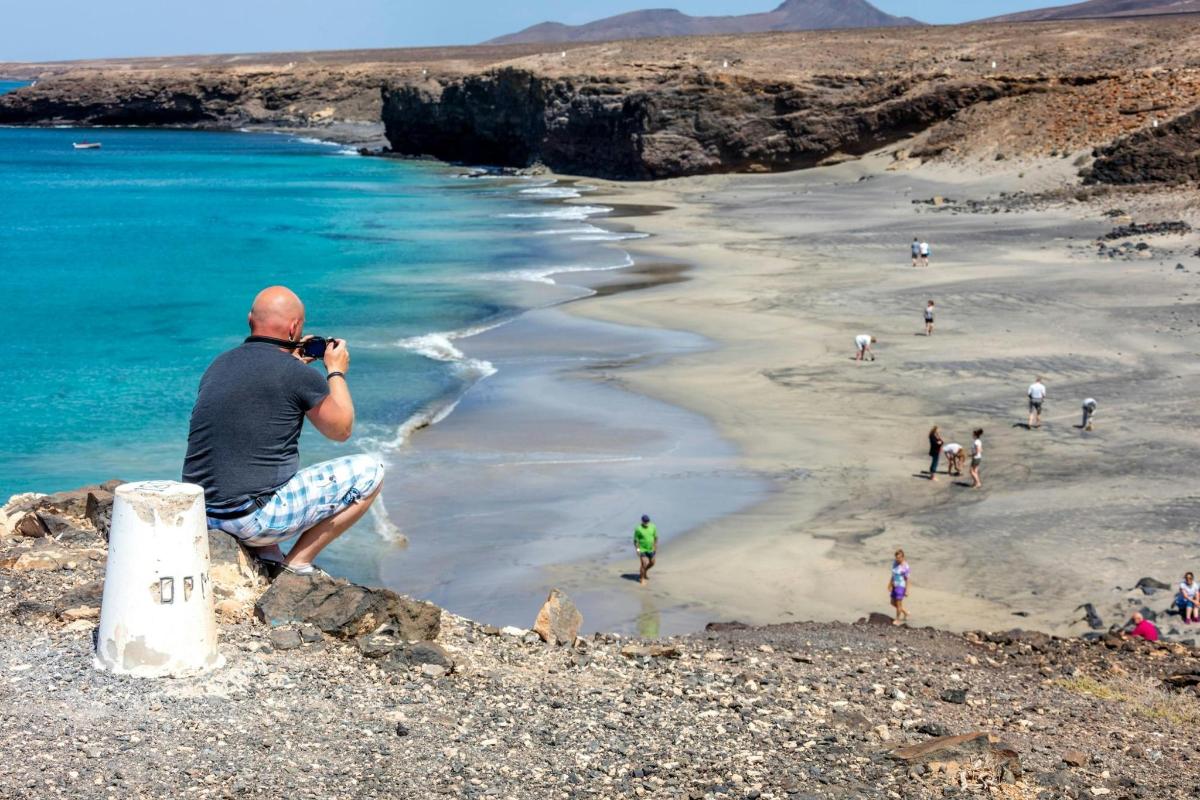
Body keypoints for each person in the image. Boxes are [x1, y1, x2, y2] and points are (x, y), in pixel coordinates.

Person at [183, 286, 384, 575]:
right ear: (294, 329)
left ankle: (268, 558)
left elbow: (261, 388)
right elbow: (341, 430)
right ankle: (297, 563)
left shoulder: (219, 364)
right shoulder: (295, 374)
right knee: (370, 471)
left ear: (250, 320)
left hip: (205, 513)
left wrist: (293, 365)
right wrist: (335, 371)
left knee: (254, 474)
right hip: (251, 519)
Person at [888, 549, 911, 624]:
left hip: (901, 586)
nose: (897, 559)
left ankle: (897, 619)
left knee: (898, 604)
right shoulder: (895, 563)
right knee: (892, 602)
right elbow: (893, 574)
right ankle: (906, 613)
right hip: (894, 585)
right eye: (896, 558)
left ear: (903, 557)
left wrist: (907, 590)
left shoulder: (906, 567)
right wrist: (890, 584)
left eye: (899, 558)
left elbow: (907, 579)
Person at [634, 515, 658, 584]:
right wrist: (638, 550)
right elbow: (635, 541)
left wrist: (655, 547)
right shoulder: (638, 529)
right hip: (642, 549)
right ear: (642, 521)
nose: (646, 523)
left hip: (650, 549)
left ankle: (645, 571)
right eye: (645, 521)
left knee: (652, 562)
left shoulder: (653, 527)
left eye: (647, 521)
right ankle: (641, 579)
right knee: (643, 563)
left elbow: (656, 537)